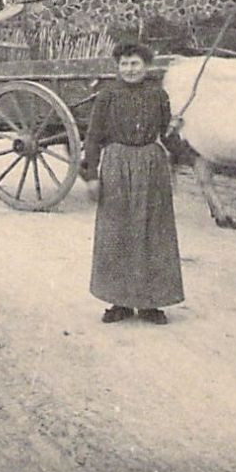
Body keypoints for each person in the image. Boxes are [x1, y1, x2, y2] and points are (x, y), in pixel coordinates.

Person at [78, 40, 184, 324]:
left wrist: (179, 134)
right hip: (116, 165)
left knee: (153, 231)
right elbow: (93, 138)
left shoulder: (158, 95)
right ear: (118, 67)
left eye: (135, 63)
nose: (129, 69)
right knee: (117, 231)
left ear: (146, 66)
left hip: (151, 168)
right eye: (124, 64)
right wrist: (90, 176)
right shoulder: (107, 96)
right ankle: (119, 302)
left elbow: (167, 136)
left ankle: (151, 303)